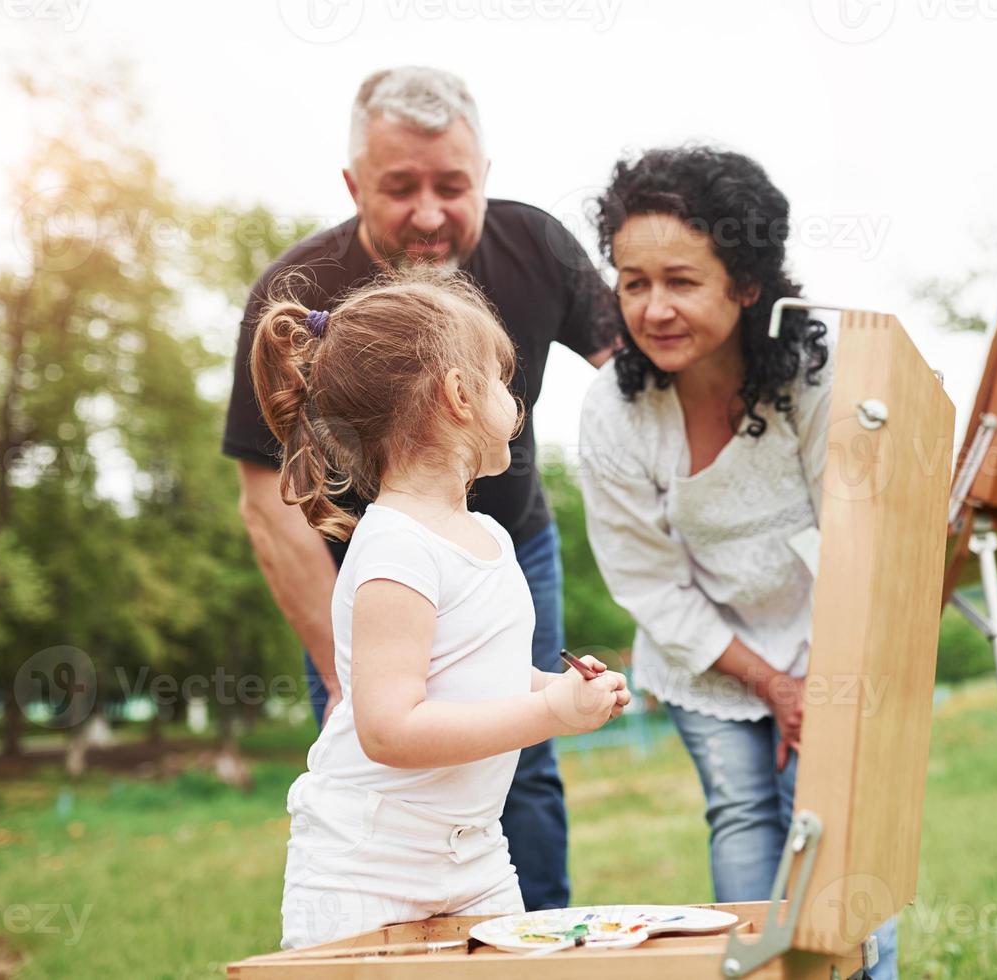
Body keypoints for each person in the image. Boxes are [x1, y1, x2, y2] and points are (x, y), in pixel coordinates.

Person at [223, 66, 615, 911]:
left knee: (522, 773)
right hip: (361, 574)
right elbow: (266, 504)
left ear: (485, 175)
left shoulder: (537, 248)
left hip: (495, 538)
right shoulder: (300, 292)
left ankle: (530, 944)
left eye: (454, 185)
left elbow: (634, 367)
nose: (431, 213)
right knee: (391, 744)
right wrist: (349, 671)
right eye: (402, 188)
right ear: (354, 183)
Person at [253, 268, 631, 949]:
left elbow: (488, 674)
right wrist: (547, 714)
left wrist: (563, 688)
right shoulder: (395, 549)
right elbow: (390, 729)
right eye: (498, 380)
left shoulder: (487, 535)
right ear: (459, 395)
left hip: (476, 859)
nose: (512, 400)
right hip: (365, 873)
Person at [577, 145, 832, 903]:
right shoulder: (613, 411)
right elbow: (648, 583)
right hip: (705, 651)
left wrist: (819, 683)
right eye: (634, 283)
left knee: (826, 816)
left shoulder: (816, 378)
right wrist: (770, 684)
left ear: (746, 283)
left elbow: (860, 543)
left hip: (828, 633)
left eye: (682, 282)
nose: (655, 309)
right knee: (743, 814)